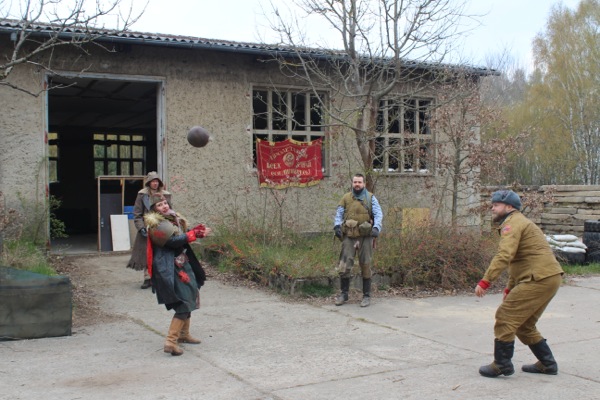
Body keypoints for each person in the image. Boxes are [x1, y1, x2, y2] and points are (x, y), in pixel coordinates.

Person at [475, 190, 564, 378]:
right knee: (524, 325)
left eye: (496, 205)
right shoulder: (519, 221)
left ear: (509, 207)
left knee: (505, 317)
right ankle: (547, 364)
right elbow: (518, 262)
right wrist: (510, 287)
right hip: (548, 277)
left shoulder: (512, 223)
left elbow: (504, 255)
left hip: (538, 278)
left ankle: (502, 365)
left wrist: (485, 281)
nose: (492, 208)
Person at [145, 194, 211, 356]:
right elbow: (172, 242)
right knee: (183, 302)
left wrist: (196, 231)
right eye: (160, 205)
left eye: (165, 203)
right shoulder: (156, 225)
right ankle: (170, 341)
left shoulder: (173, 219)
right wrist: (192, 234)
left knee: (191, 294)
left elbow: (181, 236)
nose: (164, 206)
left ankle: (183, 334)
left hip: (182, 262)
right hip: (170, 267)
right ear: (154, 209)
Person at [333, 173, 383, 307]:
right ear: (352, 183)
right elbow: (339, 214)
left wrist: (376, 227)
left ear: (364, 184)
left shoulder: (371, 198)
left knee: (365, 264)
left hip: (365, 237)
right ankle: (344, 294)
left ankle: (366, 296)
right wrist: (337, 226)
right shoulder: (345, 198)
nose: (357, 184)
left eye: (359, 182)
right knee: (344, 265)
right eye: (355, 182)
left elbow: (378, 214)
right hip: (349, 236)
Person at [126, 171, 172, 289]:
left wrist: (171, 226)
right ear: (149, 183)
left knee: (161, 253)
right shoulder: (142, 195)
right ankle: (147, 278)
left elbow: (169, 211)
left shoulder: (165, 195)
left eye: (157, 181)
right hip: (147, 227)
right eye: (153, 181)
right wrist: (141, 227)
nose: (155, 183)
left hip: (161, 227)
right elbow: (137, 213)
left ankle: (160, 278)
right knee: (147, 253)